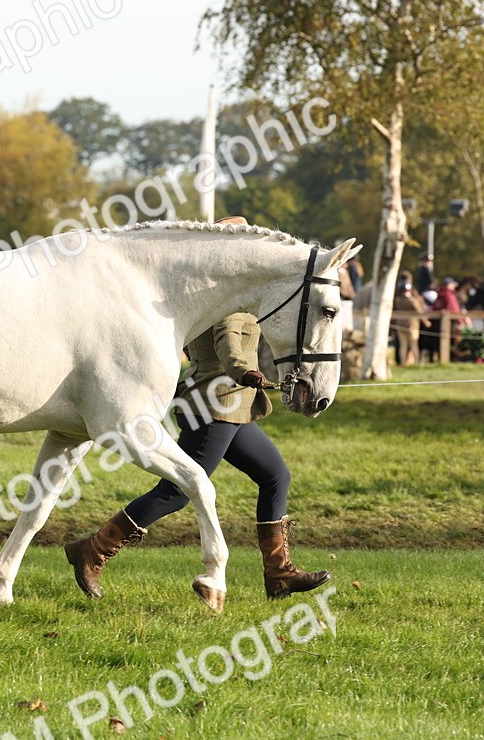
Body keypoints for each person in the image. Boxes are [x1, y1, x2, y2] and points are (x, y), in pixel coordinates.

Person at [64, 217, 330, 602]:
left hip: (233, 408)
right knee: (177, 492)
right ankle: (93, 549)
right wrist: (247, 372)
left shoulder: (222, 293)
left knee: (275, 476)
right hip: (214, 405)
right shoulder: (227, 303)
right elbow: (228, 343)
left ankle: (279, 573)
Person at [392, 277, 431, 366]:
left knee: (403, 345)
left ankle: (403, 363)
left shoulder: (397, 300)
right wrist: (426, 321)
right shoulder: (412, 300)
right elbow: (419, 311)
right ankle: (417, 363)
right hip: (412, 325)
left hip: (400, 324)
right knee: (414, 344)